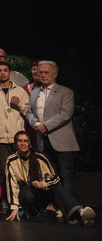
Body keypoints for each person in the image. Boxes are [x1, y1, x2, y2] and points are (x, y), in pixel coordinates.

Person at [5, 131, 94, 226]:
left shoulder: (40, 158)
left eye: (25, 141)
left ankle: (81, 213)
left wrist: (42, 184)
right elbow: (12, 184)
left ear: (30, 143)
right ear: (16, 143)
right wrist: (14, 207)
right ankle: (33, 213)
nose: (23, 143)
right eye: (19, 141)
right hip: (29, 196)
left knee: (58, 189)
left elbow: (55, 179)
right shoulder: (11, 160)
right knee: (25, 192)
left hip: (44, 192)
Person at [27, 60, 79, 195]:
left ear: (55, 74)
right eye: (41, 72)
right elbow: (29, 112)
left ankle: (71, 209)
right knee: (51, 176)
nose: (43, 75)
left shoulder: (65, 92)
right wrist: (36, 124)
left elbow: (66, 114)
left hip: (62, 141)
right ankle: (58, 206)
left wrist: (46, 126)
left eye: (46, 72)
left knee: (66, 175)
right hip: (42, 141)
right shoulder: (34, 93)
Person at [0, 60, 29, 212]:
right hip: (0, 137)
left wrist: (19, 105)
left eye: (5, 70)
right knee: (4, 170)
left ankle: (19, 202)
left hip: (17, 137)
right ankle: (5, 200)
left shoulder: (20, 91)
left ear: (10, 73)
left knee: (19, 170)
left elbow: (28, 113)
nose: (2, 73)